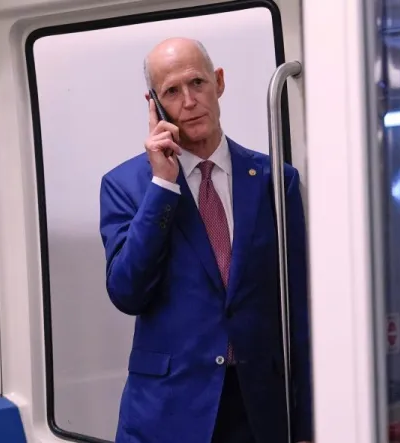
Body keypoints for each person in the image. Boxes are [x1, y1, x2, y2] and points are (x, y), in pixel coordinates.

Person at [98, 37, 313, 443]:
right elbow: (127, 292)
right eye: (172, 92)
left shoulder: (274, 180)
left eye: (197, 83)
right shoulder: (125, 186)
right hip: (167, 412)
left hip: (259, 410)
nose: (190, 101)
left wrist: (307, 425)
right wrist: (162, 184)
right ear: (154, 104)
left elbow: (299, 306)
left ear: (219, 82)